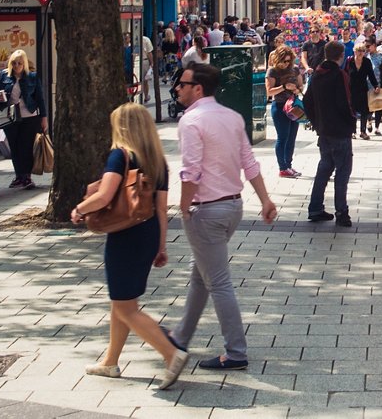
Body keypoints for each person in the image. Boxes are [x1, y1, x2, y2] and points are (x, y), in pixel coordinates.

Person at [167, 62, 278, 371]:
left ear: (198, 88)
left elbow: (191, 170)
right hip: (232, 207)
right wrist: (266, 199)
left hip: (207, 210)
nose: (177, 88)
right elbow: (249, 162)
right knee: (200, 276)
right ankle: (180, 336)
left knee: (217, 282)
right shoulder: (231, 117)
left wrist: (184, 206)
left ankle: (236, 351)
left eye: (183, 84)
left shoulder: (191, 121)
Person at [70, 103, 186, 389]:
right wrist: (161, 247)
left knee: (125, 306)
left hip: (125, 236)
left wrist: (80, 209)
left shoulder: (120, 156)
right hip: (146, 234)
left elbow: (105, 194)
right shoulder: (158, 162)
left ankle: (171, 352)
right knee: (122, 301)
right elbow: (161, 210)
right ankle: (110, 361)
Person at [305, 41, 357, 227]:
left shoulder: (317, 74)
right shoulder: (339, 75)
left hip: (324, 130)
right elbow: (346, 102)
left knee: (324, 168)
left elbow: (307, 100)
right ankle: (341, 211)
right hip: (340, 130)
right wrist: (352, 122)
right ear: (341, 55)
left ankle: (315, 207)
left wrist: (316, 122)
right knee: (342, 171)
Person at [0, 49, 48, 189]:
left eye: (20, 63)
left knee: (26, 147)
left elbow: (40, 99)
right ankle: (19, 176)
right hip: (10, 118)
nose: (17, 66)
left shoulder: (32, 77)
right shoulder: (3, 76)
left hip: (29, 116)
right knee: (15, 147)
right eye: (14, 63)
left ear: (25, 64)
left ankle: (27, 177)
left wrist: (44, 117)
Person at [264, 45, 303, 178]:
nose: (287, 64)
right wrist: (284, 87)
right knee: (283, 137)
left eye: (289, 61)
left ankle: (288, 165)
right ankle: (282, 167)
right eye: (284, 61)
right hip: (280, 106)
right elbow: (269, 92)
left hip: (294, 106)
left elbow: (301, 86)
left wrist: (296, 89)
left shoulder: (295, 69)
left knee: (292, 138)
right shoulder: (272, 71)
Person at [345, 43, 380, 140]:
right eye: (359, 50)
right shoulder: (349, 61)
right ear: (354, 51)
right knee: (352, 111)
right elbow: (344, 74)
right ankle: (352, 131)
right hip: (351, 89)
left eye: (363, 51)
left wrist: (376, 86)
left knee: (364, 111)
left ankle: (363, 131)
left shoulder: (367, 62)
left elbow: (371, 75)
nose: (361, 53)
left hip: (363, 89)